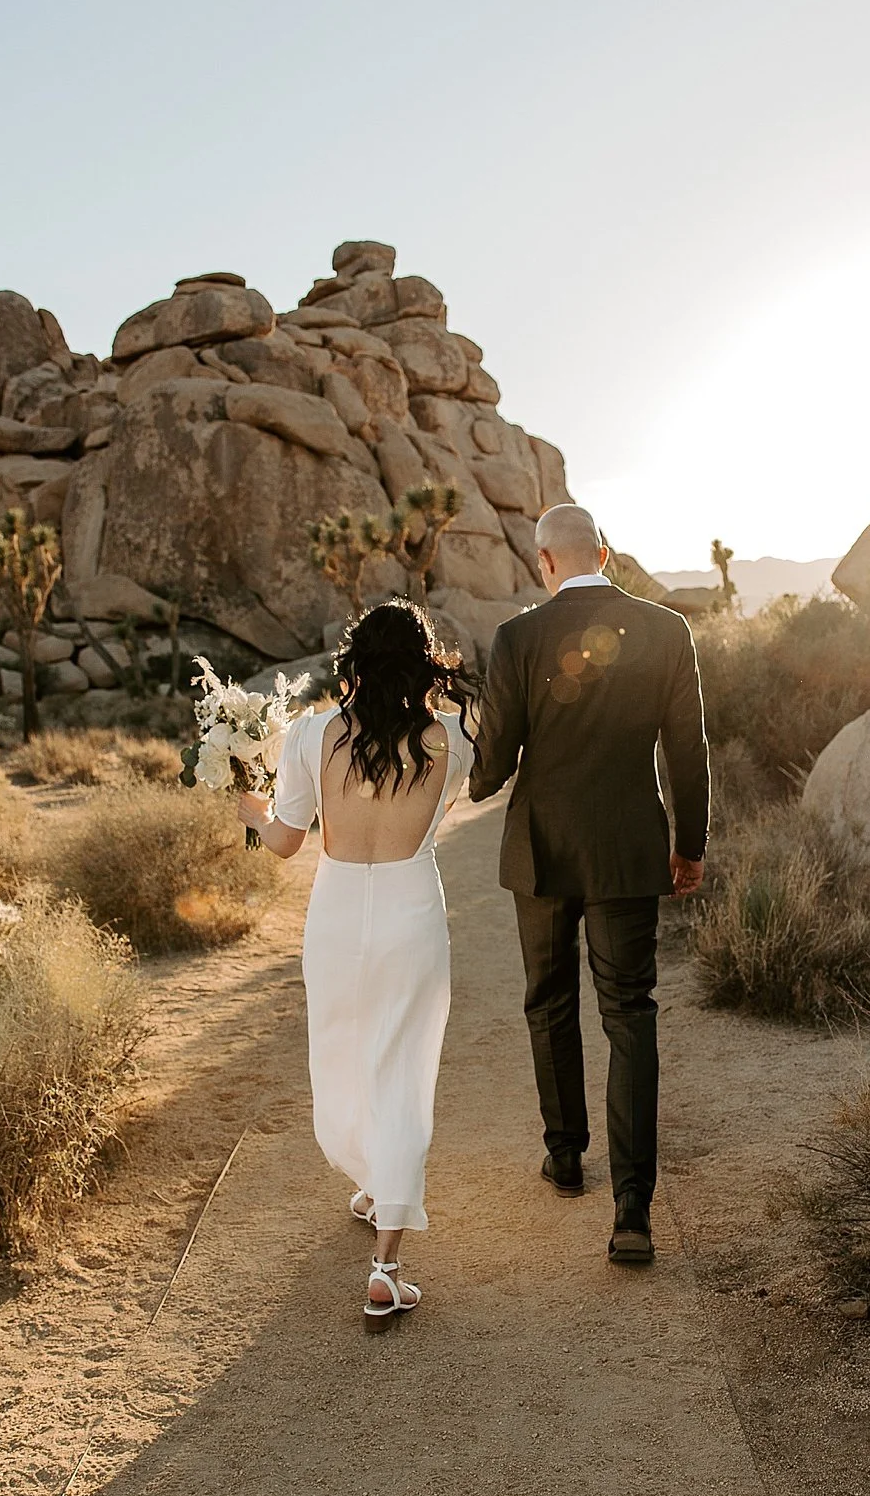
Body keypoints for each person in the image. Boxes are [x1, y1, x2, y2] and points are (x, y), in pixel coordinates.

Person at [468, 505, 709, 1265]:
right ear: (603, 552)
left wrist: (465, 770)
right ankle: (632, 1209)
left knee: (549, 1000)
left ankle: (566, 1156)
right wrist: (689, 846)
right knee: (630, 1013)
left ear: (543, 561)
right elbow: (688, 749)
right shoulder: (668, 630)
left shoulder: (517, 637)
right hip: (629, 849)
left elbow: (496, 763)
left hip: (541, 849)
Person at [238, 601, 473, 1323]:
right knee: (401, 1065)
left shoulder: (311, 737)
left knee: (342, 1052)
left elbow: (283, 843)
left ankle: (379, 1192)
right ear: (422, 663)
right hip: (410, 908)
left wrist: (248, 806)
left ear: (354, 664)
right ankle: (385, 1259)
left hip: (337, 914)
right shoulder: (451, 741)